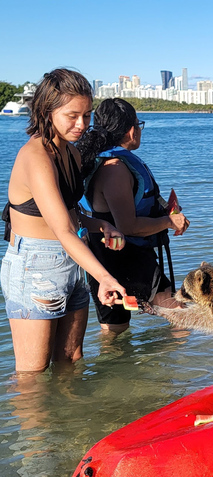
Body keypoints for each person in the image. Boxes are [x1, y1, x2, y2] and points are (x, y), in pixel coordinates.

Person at [1, 69, 128, 373]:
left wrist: (101, 225)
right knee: (32, 374)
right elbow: (62, 228)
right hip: (35, 266)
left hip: (71, 263)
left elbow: (68, 214)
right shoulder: (35, 155)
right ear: (47, 111)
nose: (82, 125)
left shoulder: (70, 152)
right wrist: (105, 277)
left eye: (87, 115)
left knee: (71, 362)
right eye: (72, 115)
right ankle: (32, 422)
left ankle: (72, 421)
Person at [77, 98, 189, 333]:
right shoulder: (115, 168)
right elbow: (127, 226)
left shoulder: (99, 161)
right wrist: (170, 222)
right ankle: (182, 367)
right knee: (182, 317)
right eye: (139, 125)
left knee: (113, 330)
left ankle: (114, 369)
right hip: (126, 258)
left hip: (100, 258)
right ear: (131, 130)